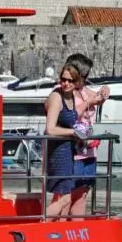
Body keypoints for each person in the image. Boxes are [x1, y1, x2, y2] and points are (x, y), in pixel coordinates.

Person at [65, 53, 110, 219]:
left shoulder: (84, 91)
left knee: (82, 193)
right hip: (73, 152)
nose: (84, 80)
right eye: (83, 76)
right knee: (67, 195)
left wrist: (105, 91)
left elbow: (100, 97)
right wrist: (90, 103)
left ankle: (77, 229)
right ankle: (58, 231)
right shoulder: (65, 92)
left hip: (88, 152)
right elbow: (68, 117)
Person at [43, 65, 83, 220]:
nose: (66, 83)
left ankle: (53, 231)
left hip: (68, 150)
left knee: (62, 198)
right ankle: (41, 224)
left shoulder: (71, 96)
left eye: (70, 80)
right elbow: (50, 129)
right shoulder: (56, 97)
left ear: (77, 82)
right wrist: (73, 132)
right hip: (58, 152)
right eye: (63, 79)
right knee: (65, 198)